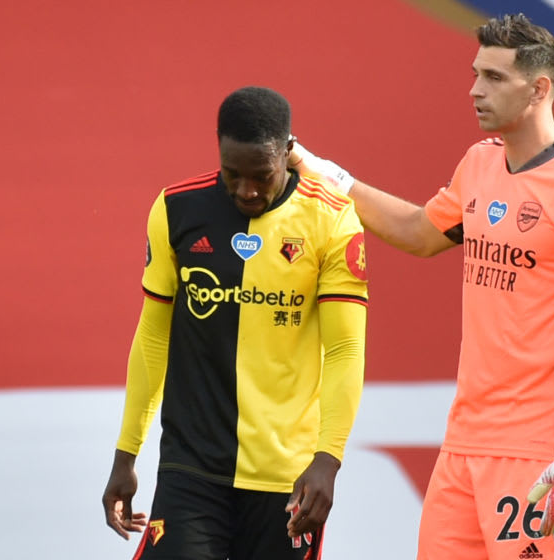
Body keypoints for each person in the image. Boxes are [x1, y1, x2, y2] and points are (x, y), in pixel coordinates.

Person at [290, 13, 554, 560]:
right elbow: (417, 232)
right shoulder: (480, 164)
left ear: (539, 88)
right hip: (465, 442)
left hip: (544, 448)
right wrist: (327, 174)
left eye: (494, 78)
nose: (475, 90)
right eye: (476, 74)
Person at [101, 86, 369, 559]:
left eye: (262, 176)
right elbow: (152, 336)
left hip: (287, 478)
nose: (247, 190)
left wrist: (328, 460)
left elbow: (346, 350)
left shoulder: (333, 220)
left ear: (288, 153)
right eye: (232, 174)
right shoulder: (176, 208)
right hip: (192, 467)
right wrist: (127, 453)